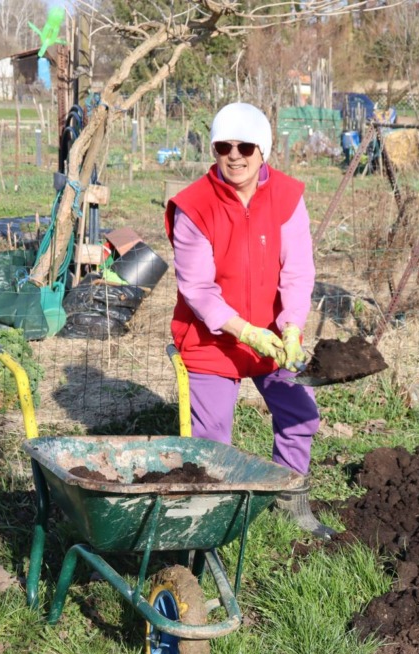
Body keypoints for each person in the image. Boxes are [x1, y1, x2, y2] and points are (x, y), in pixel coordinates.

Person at [164, 102, 334, 539]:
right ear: (214, 150)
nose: (235, 156)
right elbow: (197, 288)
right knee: (212, 438)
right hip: (212, 338)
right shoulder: (193, 206)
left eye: (245, 147)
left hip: (272, 335)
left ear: (264, 150)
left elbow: (297, 270)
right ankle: (212, 522)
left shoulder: (287, 197)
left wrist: (291, 327)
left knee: (300, 414)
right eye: (224, 146)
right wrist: (244, 331)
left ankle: (288, 502)